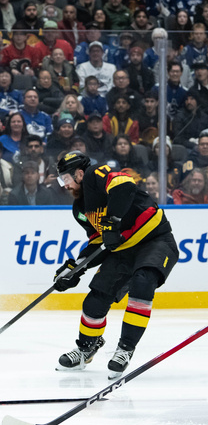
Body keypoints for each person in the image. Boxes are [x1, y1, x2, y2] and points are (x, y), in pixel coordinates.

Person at [51, 151, 179, 376]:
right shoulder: (80, 210)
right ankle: (86, 348)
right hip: (124, 252)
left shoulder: (94, 174)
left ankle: (125, 349)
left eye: (66, 179)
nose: (65, 185)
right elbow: (99, 242)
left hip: (155, 240)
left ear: (79, 174)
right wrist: (76, 268)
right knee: (95, 300)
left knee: (143, 282)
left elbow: (124, 184)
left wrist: (112, 222)